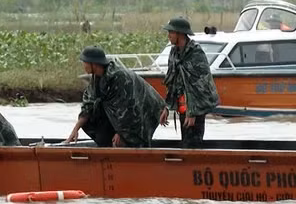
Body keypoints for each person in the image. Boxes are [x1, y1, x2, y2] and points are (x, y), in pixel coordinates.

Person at [65, 47, 165, 148]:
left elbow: (128, 109)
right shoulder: (96, 79)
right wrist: (75, 129)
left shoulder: (119, 77)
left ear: (94, 64)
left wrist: (121, 134)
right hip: (122, 119)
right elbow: (88, 106)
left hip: (142, 113)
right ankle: (107, 146)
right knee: (93, 118)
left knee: (126, 141)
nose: (83, 65)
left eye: (85, 62)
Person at [159, 17, 220, 149]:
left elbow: (201, 86)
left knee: (192, 146)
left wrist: (193, 113)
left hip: (196, 109)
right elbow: (172, 80)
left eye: (171, 32)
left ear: (180, 34)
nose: (168, 36)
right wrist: (167, 107)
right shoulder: (174, 52)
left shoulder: (196, 53)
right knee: (185, 144)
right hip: (183, 107)